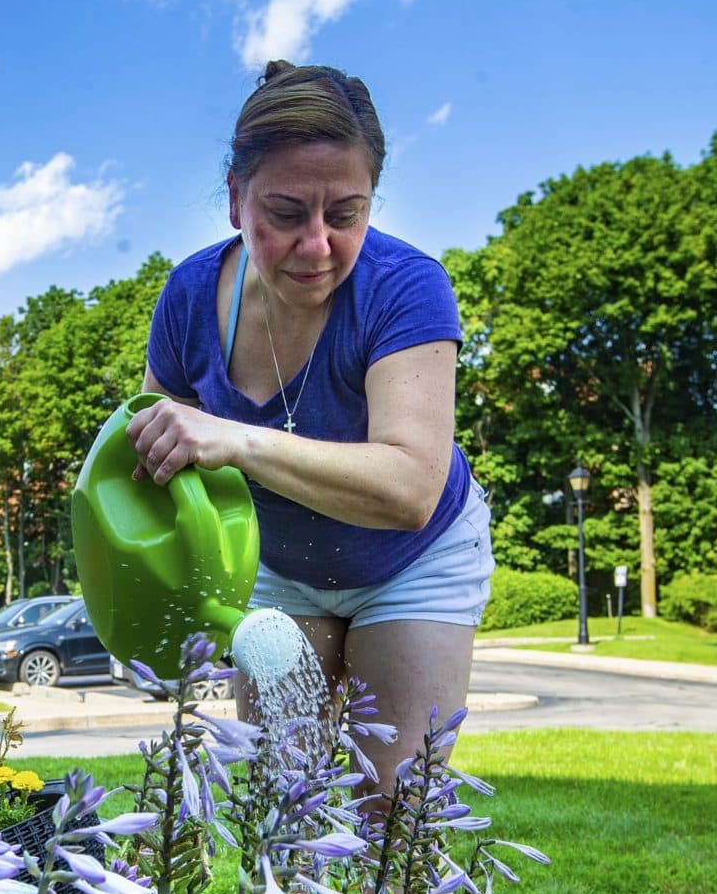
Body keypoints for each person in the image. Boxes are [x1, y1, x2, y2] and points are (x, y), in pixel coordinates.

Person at [128, 60, 493, 789]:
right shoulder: (191, 297)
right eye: (287, 213)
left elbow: (411, 486)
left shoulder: (406, 288)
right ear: (236, 199)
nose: (318, 245)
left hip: (412, 561)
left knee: (392, 807)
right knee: (281, 807)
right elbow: (153, 454)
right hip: (278, 569)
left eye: (347, 214)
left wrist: (238, 439)